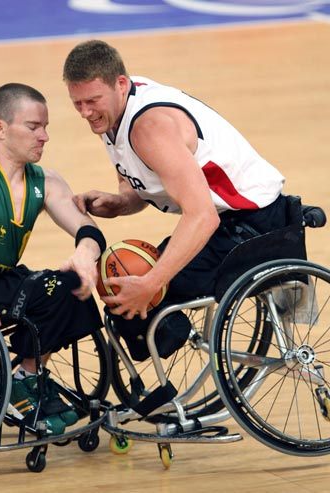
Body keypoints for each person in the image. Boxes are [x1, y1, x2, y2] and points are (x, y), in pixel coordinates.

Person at [62, 39, 289, 326]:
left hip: (254, 222)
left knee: (133, 296)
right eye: (77, 103)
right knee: (121, 285)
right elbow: (145, 184)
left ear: (120, 83)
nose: (85, 112)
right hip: (228, 219)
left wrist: (151, 284)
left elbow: (203, 217)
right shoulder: (111, 113)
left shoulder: (149, 128)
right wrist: (121, 202)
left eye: (92, 101)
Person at [0, 82, 106, 435]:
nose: (44, 136)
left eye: (46, 127)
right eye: (33, 127)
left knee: (68, 284)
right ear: (0, 128)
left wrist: (86, 254)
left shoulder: (46, 181)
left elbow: (87, 229)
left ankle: (25, 376)